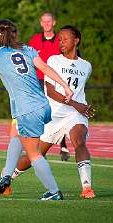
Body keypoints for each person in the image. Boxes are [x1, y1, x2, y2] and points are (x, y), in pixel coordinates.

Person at [0, 19, 73, 200]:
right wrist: (65, 86)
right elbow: (45, 68)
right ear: (15, 34)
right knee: (15, 132)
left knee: (34, 154)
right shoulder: (28, 49)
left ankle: (54, 192)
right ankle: (5, 178)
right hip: (42, 105)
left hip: (27, 110)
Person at [3, 25, 96, 199]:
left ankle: (87, 188)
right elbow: (51, 92)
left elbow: (78, 90)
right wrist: (77, 104)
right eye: (59, 39)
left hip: (75, 114)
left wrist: (79, 107)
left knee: (79, 142)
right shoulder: (54, 60)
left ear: (76, 40)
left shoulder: (86, 66)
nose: (61, 42)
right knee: (34, 156)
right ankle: (7, 180)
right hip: (54, 114)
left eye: (65, 39)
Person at [25, 12, 71, 161]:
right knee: (38, 114)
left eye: (49, 21)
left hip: (56, 82)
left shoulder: (60, 39)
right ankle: (38, 149)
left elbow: (69, 57)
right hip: (38, 81)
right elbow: (27, 60)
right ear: (40, 23)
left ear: (54, 22)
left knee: (58, 112)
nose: (46, 24)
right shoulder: (35, 40)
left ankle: (63, 146)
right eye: (44, 21)